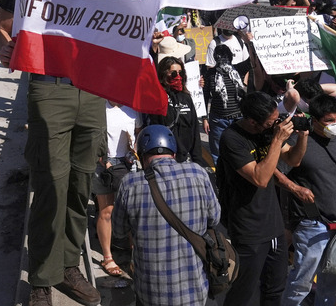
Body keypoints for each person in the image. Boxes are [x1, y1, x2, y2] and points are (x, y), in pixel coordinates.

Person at [0, 0, 113, 306]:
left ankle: (66, 268)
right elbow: (3, 28)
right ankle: (42, 280)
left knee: (82, 185)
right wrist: (4, 46)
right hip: (49, 88)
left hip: (91, 88)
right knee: (50, 186)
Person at [216, 91, 308, 306]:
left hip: (273, 224)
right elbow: (260, 178)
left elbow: (293, 160)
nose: (274, 124)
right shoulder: (232, 138)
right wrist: (277, 139)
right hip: (248, 228)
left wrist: (303, 136)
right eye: (269, 123)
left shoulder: (267, 131)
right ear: (252, 121)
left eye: (275, 118)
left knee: (275, 289)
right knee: (243, 292)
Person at [113, 125, 220, 306]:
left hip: (150, 294)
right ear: (173, 152)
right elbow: (215, 218)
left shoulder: (130, 184)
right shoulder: (198, 174)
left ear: (143, 155)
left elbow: (118, 231)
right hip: (195, 292)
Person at [281, 94, 336, 306]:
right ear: (315, 120)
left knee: (331, 282)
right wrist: (295, 187)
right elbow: (281, 167)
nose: (335, 124)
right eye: (329, 120)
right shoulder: (298, 140)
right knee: (302, 281)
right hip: (311, 224)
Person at [93, 101, 139, 278]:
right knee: (107, 211)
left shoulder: (132, 107)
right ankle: (107, 256)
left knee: (131, 210)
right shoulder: (100, 107)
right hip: (104, 163)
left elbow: (138, 131)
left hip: (127, 163)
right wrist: (101, 159)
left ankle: (134, 253)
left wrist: (133, 150)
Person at [145, 56, 212, 171]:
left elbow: (195, 130)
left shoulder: (186, 97)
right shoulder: (158, 98)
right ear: (164, 74)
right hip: (165, 161)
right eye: (174, 73)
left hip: (186, 159)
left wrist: (198, 161)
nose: (178, 77)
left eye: (181, 73)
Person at [203, 44, 245, 166]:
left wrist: (249, 43)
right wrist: (204, 118)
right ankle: (221, 179)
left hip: (238, 119)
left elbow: (251, 62)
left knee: (239, 149)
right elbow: (205, 96)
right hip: (218, 119)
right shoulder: (210, 74)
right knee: (217, 152)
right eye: (220, 57)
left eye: (225, 56)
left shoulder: (237, 71)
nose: (223, 59)